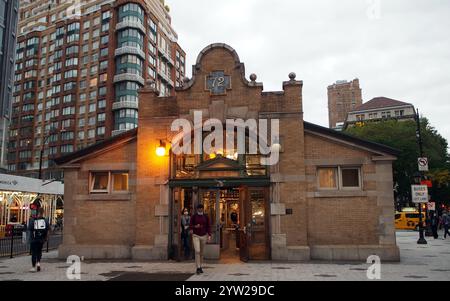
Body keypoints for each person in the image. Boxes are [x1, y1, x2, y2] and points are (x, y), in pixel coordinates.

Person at [190, 204, 211, 275]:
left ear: (203, 209)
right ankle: (198, 267)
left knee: (201, 252)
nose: (200, 209)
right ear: (197, 209)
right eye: (199, 208)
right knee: (197, 251)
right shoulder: (194, 216)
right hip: (196, 235)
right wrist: (195, 226)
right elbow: (190, 225)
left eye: (201, 208)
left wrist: (209, 235)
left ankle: (200, 266)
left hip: (204, 236)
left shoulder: (206, 217)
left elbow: (208, 226)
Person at [28, 207, 49, 272]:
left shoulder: (32, 219)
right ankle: (38, 263)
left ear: (37, 212)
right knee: (39, 251)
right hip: (41, 238)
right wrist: (46, 238)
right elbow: (48, 229)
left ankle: (33, 267)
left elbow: (29, 228)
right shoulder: (45, 220)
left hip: (34, 238)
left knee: (34, 252)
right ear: (43, 212)